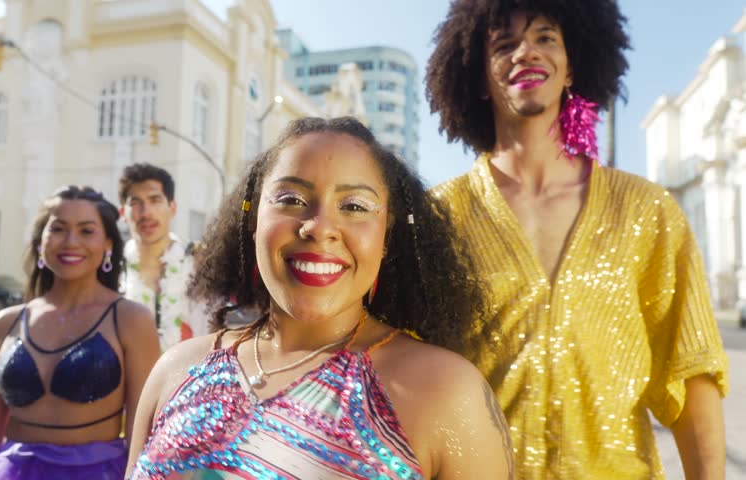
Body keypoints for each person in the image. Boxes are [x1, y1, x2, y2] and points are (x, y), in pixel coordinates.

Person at [425, 1, 728, 478]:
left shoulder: (647, 211)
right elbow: (406, 378)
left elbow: (691, 374)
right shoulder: (437, 218)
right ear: (478, 77)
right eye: (504, 44)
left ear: (571, 68)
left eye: (545, 38)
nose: (526, 52)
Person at [124, 117, 514, 479]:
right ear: (254, 219)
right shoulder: (175, 370)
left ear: (387, 236)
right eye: (291, 199)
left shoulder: (445, 391)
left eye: (354, 207)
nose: (319, 227)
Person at [0, 186, 160, 480]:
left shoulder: (131, 320)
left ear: (108, 245)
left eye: (86, 231)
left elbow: (144, 436)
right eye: (58, 229)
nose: (71, 241)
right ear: (41, 242)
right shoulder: (6, 322)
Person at [119, 163, 209, 350]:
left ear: (172, 207)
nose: (146, 213)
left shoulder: (197, 262)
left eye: (155, 200)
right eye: (136, 203)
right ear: (123, 213)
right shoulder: (113, 266)